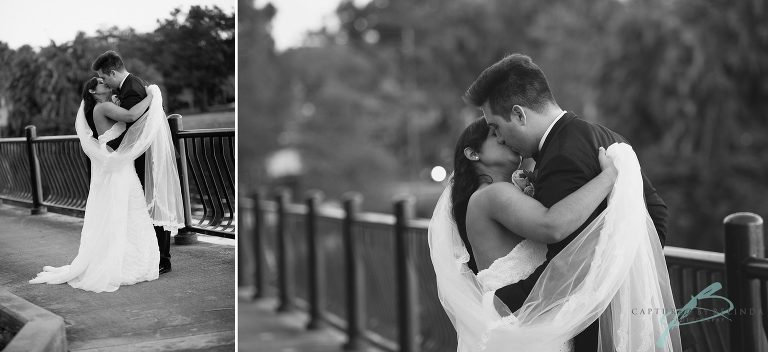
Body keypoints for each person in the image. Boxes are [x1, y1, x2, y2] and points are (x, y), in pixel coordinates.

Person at [29, 75, 183, 292]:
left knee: (128, 211)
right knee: (129, 210)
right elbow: (131, 115)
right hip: (120, 168)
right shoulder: (102, 108)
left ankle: (131, 258)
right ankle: (127, 261)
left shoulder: (105, 107)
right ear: (93, 91)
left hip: (119, 166)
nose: (106, 85)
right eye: (101, 84)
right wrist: (153, 95)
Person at [92, 50, 173, 274]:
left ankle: (162, 258)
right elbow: (133, 120)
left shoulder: (131, 88)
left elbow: (136, 125)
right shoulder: (133, 86)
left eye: (105, 77)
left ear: (112, 72)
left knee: (151, 202)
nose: (105, 82)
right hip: (140, 155)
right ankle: (156, 256)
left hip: (145, 156)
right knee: (147, 203)